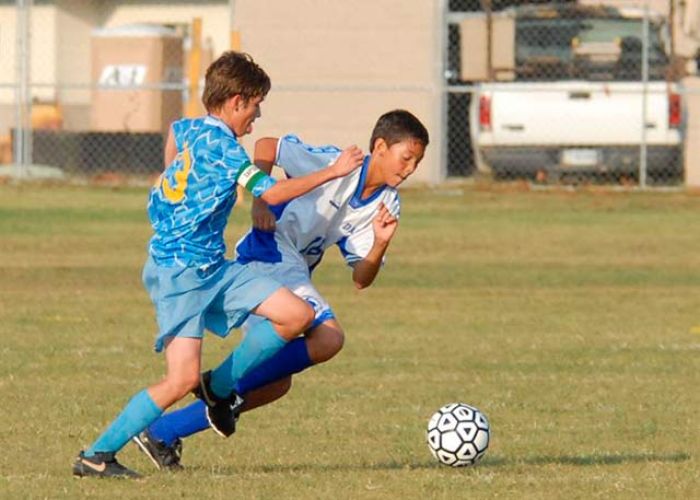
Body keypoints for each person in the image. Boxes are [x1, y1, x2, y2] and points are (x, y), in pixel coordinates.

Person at [72, 51, 364, 479]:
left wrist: (171, 172)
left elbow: (174, 132)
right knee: (179, 380)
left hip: (213, 265)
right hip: (182, 274)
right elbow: (272, 192)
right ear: (235, 102)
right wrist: (332, 172)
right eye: (255, 105)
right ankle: (96, 455)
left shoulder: (196, 129)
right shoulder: (225, 149)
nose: (258, 115)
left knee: (295, 314)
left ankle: (220, 387)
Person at [131, 109, 430, 470]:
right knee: (329, 338)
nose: (410, 168)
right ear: (380, 147)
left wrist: (381, 242)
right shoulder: (335, 162)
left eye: (417, 161)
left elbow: (361, 279)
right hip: (268, 252)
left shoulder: (387, 203)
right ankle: (218, 386)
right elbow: (269, 146)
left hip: (292, 269)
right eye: (407, 157)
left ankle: (164, 430)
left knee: (275, 382)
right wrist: (261, 198)